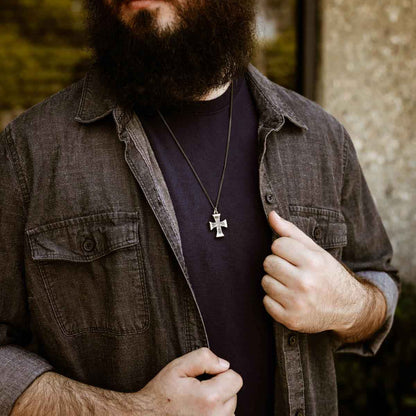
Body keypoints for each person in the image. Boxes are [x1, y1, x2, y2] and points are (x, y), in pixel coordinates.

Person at [0, 0, 400, 415]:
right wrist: (134, 412)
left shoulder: (320, 139)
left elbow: (377, 277)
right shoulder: (29, 154)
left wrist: (351, 304)